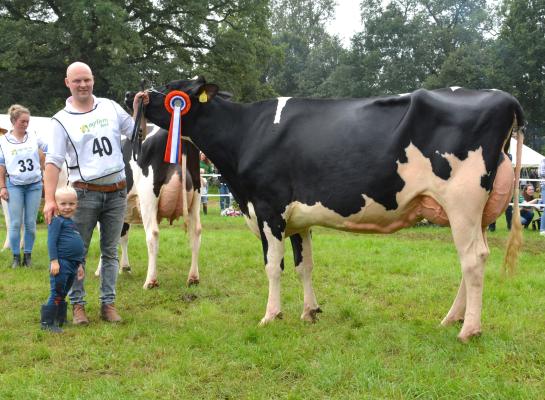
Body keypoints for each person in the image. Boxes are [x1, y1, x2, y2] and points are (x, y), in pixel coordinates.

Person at [43, 61, 148, 325]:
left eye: (87, 79)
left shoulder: (110, 107)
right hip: (84, 194)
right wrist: (49, 199)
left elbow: (137, 133)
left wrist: (138, 111)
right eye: (77, 80)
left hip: (116, 191)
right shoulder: (60, 120)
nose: (83, 85)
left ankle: (108, 304)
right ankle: (78, 306)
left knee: (110, 252)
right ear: (67, 82)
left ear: (93, 80)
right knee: (77, 253)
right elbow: (53, 162)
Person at [0, 104, 47, 268]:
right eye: (22, 121)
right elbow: (2, 165)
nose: (26, 124)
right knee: (14, 223)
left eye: (27, 121)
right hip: (14, 185)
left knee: (30, 223)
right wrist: (2, 187)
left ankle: (28, 256)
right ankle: (15, 257)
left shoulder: (34, 137)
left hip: (34, 184)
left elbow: (50, 150)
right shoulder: (4, 141)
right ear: (13, 121)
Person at [40, 187, 85, 333]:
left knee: (64, 292)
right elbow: (51, 242)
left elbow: (77, 245)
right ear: (56, 205)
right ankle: (47, 322)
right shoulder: (56, 221)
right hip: (61, 263)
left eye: (71, 204)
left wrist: (79, 265)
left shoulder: (72, 223)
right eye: (63, 204)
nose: (67, 207)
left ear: (76, 204)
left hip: (72, 265)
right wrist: (54, 261)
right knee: (57, 292)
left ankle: (60, 318)